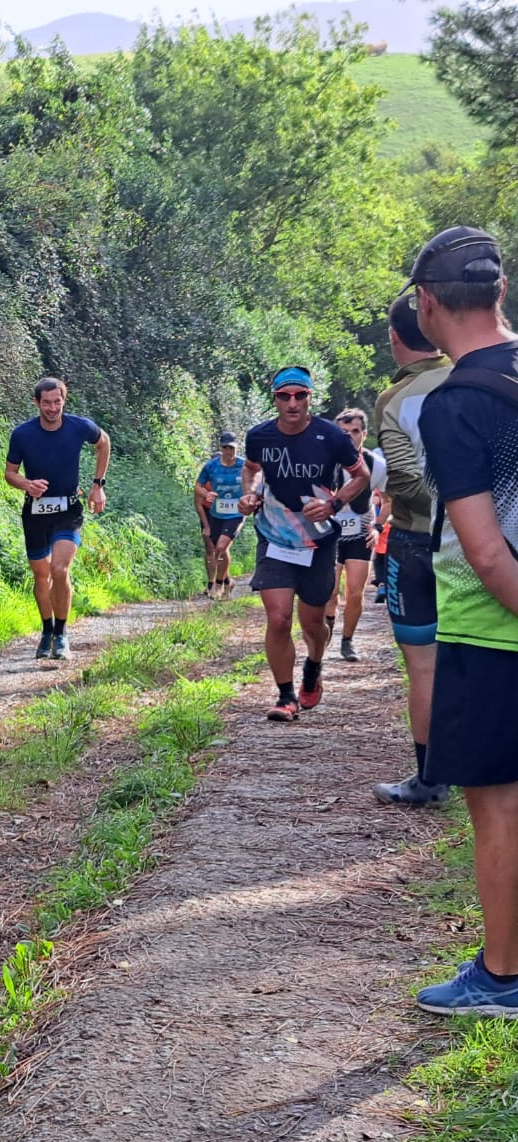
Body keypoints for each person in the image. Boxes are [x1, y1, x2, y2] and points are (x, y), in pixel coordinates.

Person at [405, 227, 518, 1016]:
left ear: (428, 303)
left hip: (492, 628)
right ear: (501, 293)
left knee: (500, 805)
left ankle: (502, 975)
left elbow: (485, 552)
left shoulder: (455, 404)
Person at [239, 366, 369, 721]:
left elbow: (361, 476)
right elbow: (251, 469)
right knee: (278, 618)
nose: (292, 403)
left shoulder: (332, 436)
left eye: (300, 395)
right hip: (274, 536)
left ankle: (314, 666)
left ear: (311, 397)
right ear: (275, 399)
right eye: (285, 396)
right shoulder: (260, 436)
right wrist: (249, 495)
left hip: (318, 541)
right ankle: (285, 696)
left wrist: (333, 504)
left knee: (313, 624)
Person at [371, 293, 452, 807]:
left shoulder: (395, 399)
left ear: (396, 338)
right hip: (486, 539)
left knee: (423, 664)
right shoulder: (479, 375)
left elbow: (401, 475)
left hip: (414, 540)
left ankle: (430, 780)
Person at [5, 377, 110, 660]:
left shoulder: (79, 427)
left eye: (57, 401)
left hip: (68, 508)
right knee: (41, 575)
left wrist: (98, 484)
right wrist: (26, 484)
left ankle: (62, 635)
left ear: (64, 400)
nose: (53, 408)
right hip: (36, 511)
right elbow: (9, 473)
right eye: (47, 403)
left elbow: (104, 442)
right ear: (37, 403)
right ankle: (47, 630)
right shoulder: (22, 434)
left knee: (60, 570)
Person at [325, 408, 385, 662]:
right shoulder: (325, 462)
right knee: (329, 591)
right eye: (343, 432)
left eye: (355, 431)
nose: (349, 436)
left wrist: (377, 527)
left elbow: (390, 501)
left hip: (361, 532)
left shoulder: (377, 465)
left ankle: (347, 641)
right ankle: (325, 634)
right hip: (330, 532)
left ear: (364, 434)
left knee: (355, 592)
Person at [194, 432, 245, 599]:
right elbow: (198, 486)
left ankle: (218, 584)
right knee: (217, 548)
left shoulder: (245, 465)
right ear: (221, 448)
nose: (229, 451)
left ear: (237, 447)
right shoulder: (211, 466)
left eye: (232, 447)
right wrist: (205, 494)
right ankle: (228, 581)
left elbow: (258, 482)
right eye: (225, 447)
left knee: (222, 546)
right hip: (216, 513)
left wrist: (251, 496)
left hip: (236, 513)